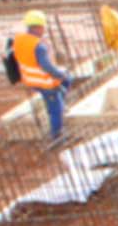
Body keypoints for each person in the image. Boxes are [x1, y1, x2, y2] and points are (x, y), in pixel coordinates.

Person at [6, 10, 72, 140]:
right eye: (43, 26)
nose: (44, 29)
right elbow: (46, 67)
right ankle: (57, 136)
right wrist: (59, 74)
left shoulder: (20, 39)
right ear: (38, 27)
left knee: (68, 79)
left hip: (29, 79)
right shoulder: (39, 46)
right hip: (44, 82)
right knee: (56, 109)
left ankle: (57, 102)